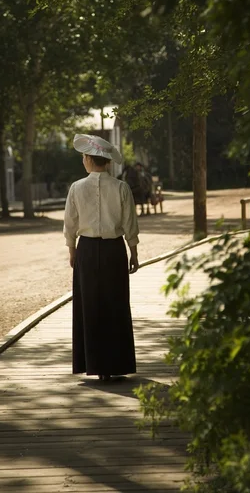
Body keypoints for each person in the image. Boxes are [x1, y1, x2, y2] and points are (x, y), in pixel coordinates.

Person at [63, 133, 140, 382]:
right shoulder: (121, 187)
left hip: (85, 249)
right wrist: (134, 251)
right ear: (106, 161)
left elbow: (70, 224)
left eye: (84, 157)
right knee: (115, 304)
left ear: (88, 159)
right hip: (114, 250)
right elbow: (130, 223)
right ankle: (116, 363)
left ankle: (93, 364)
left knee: (89, 306)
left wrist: (72, 251)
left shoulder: (76, 188)